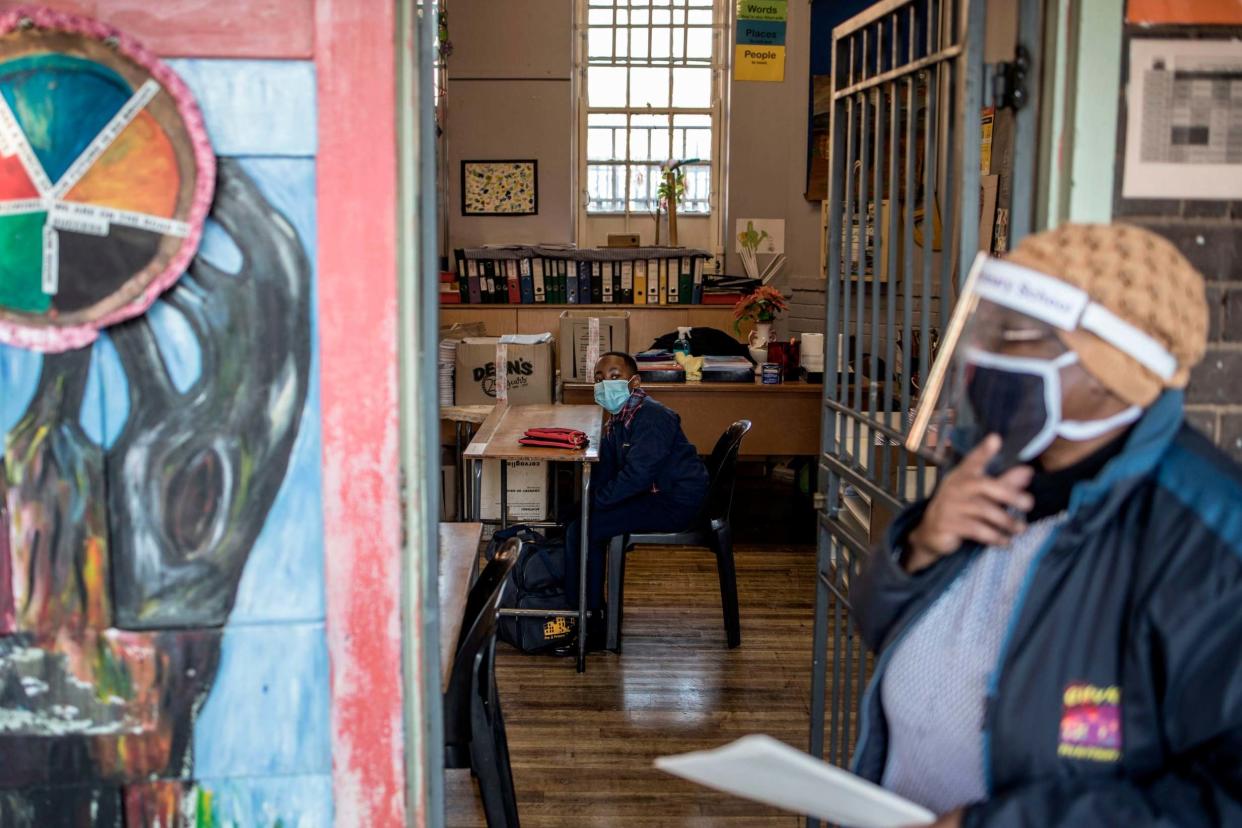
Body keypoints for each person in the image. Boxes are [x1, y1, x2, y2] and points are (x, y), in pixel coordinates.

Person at [850, 224, 1242, 827]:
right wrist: (920, 548)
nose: (987, 357)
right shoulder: (997, 467)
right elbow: (879, 628)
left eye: (1020, 337)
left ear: (1117, 370)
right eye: (991, 330)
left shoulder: (1211, 539)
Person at [562, 350, 709, 650]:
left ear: (635, 382)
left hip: (674, 502)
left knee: (585, 529)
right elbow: (612, 468)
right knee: (578, 520)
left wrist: (595, 503)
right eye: (599, 379)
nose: (606, 384)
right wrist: (587, 503)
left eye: (615, 376)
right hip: (654, 493)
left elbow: (637, 475)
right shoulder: (620, 417)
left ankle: (590, 622)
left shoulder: (653, 416)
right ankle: (585, 610)